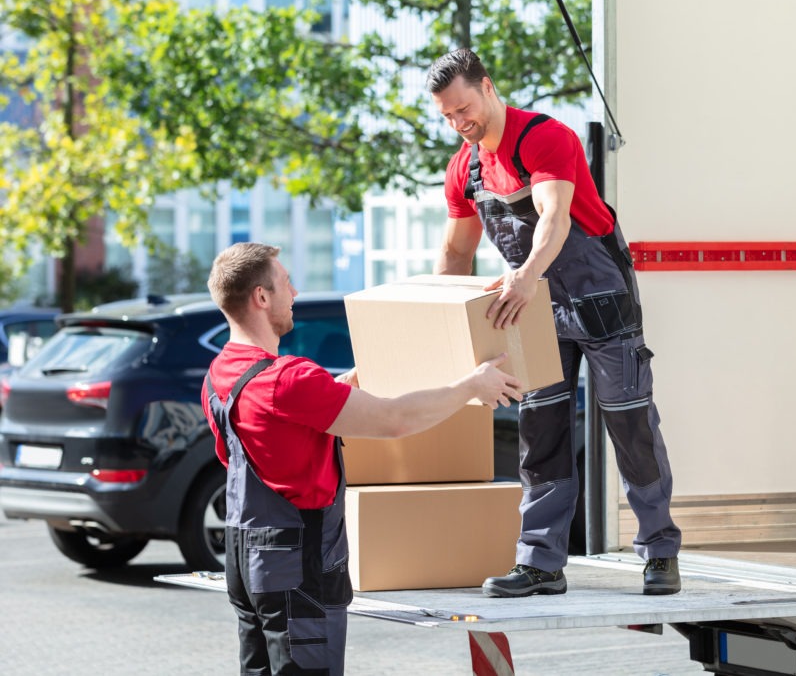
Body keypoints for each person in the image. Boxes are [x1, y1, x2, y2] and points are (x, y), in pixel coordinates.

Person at [426, 48, 682, 598]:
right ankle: (541, 562)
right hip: (533, 308)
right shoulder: (463, 168)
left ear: (487, 87)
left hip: (598, 296)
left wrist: (524, 275)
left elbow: (554, 216)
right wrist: (443, 323)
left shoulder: (544, 137)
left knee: (630, 425)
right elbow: (454, 254)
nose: (458, 123)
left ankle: (660, 551)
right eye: (447, 116)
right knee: (540, 433)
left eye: (463, 108)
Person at [201, 242, 522, 674]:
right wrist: (471, 387)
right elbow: (394, 421)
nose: (294, 293)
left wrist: (339, 387)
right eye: (286, 283)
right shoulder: (290, 380)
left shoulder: (220, 374)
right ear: (261, 298)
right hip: (297, 568)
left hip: (245, 559)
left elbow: (268, 435)